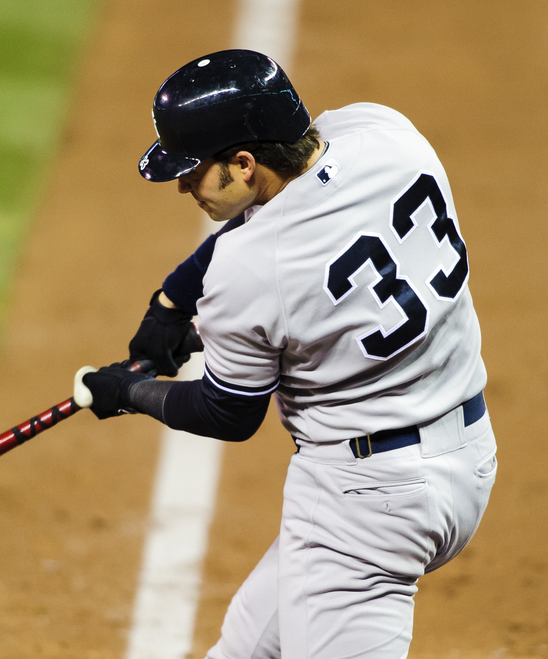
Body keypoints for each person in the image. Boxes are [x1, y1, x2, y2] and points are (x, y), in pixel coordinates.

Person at [80, 49, 497, 658]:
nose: (181, 183)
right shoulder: (384, 132)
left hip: (365, 509)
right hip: (468, 454)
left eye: (195, 169)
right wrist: (172, 300)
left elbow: (228, 412)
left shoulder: (249, 271)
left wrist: (129, 392)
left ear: (245, 164)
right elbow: (286, 215)